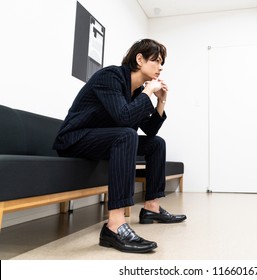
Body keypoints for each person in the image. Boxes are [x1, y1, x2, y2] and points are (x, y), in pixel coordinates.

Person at [53, 39, 186, 253]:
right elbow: (124, 118)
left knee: (156, 144)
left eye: (163, 63)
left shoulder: (135, 92)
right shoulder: (110, 77)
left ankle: (151, 207)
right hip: (75, 139)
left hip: (101, 141)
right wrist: (148, 93)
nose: (160, 67)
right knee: (126, 135)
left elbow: (150, 131)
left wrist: (161, 101)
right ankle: (114, 225)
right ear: (139, 59)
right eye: (157, 61)